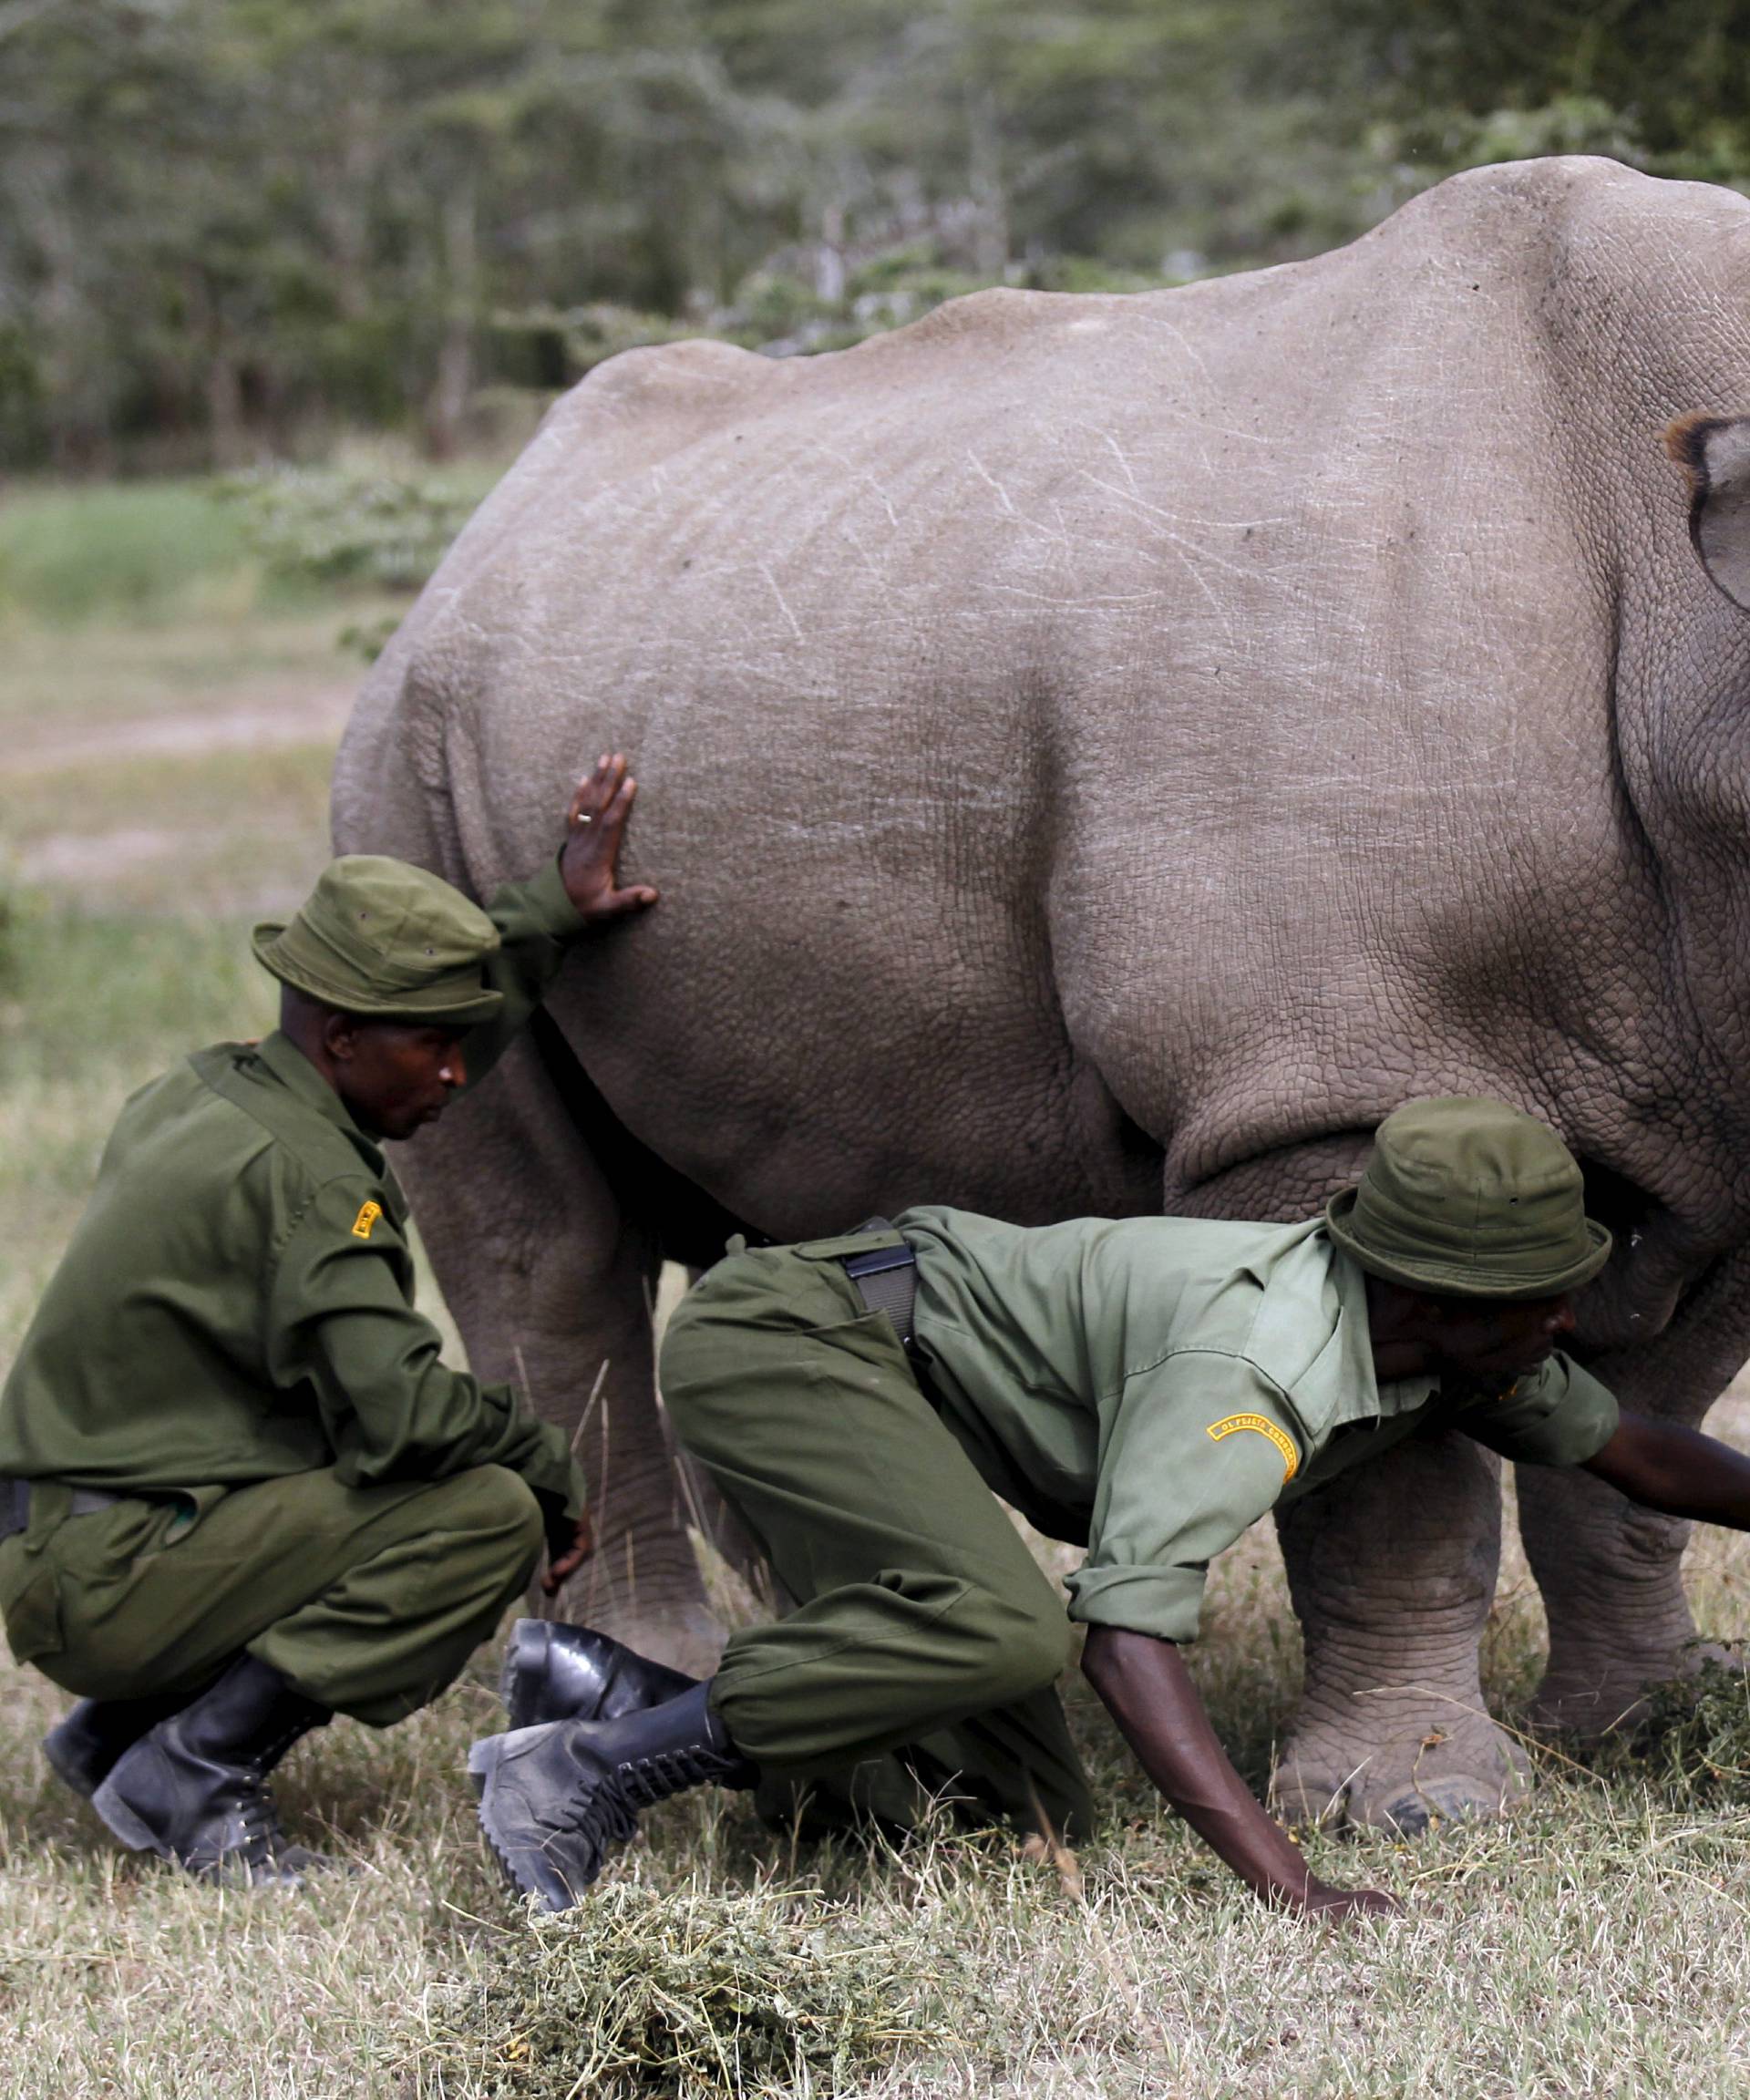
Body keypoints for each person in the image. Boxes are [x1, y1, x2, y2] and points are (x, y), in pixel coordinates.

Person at [470, 1096, 1750, 1917]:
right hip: (801, 1338)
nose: (1570, 1319)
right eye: (1542, 1295)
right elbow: (1125, 1643)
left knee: (1013, 1822)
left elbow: (1635, 1451)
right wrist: (1290, 1888)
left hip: (895, 1365)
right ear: (1434, 1298)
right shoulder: (1258, 1369)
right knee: (1002, 1628)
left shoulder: (1455, 1346)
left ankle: (603, 1692)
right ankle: (586, 1775)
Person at [0, 754, 656, 1887]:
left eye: (462, 1040)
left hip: (67, 1539)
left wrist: (548, 910)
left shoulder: (212, 1089)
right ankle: (196, 1766)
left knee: (330, 1448)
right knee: (485, 1512)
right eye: (431, 1048)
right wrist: (546, 1463)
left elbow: (417, 1029)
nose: (456, 1076)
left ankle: (112, 1735)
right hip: (108, 1577)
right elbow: (402, 1416)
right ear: (343, 1036)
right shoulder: (315, 1190)